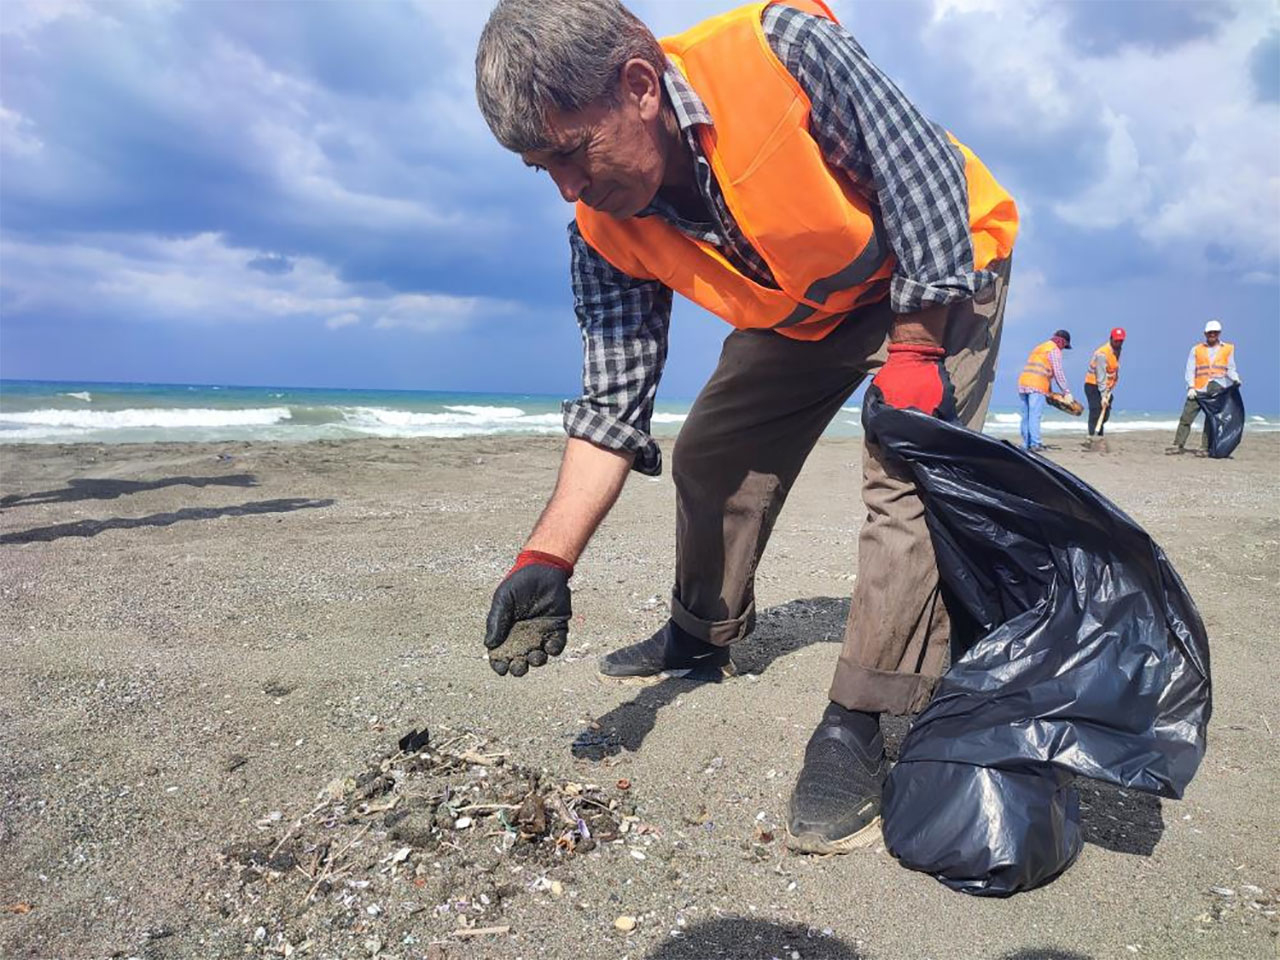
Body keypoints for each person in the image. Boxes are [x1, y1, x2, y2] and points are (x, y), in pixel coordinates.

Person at [474, 0, 1017, 855]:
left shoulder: (780, 52)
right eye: (543, 170)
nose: (569, 189)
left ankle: (867, 717)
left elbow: (921, 168)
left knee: (906, 468)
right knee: (712, 450)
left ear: (640, 86)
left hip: (938, 267)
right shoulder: (602, 232)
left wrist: (917, 344)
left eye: (572, 152)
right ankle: (702, 634)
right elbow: (611, 407)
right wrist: (545, 558)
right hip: (809, 306)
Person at [1168, 320, 1241, 456]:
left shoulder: (1228, 348)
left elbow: (1230, 368)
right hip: (1199, 388)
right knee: (1186, 417)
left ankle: (1204, 448)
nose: (1212, 334)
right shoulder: (1196, 349)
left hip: (1218, 388)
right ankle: (1178, 444)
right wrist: (1191, 387)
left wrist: (1235, 378)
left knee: (1210, 419)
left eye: (1215, 332)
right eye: (1210, 332)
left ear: (1219, 333)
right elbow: (1190, 369)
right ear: (1205, 334)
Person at [1015, 330, 1073, 451]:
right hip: (1037, 385)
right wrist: (1066, 392)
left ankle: (1026, 443)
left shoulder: (1040, 347)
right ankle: (1036, 444)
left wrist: (1049, 391)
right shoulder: (1054, 350)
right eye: (1064, 346)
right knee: (1035, 415)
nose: (1063, 349)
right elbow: (1058, 372)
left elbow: (1045, 370)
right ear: (1062, 342)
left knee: (1026, 415)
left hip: (1023, 382)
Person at [1083, 327, 1125, 445]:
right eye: (1116, 341)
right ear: (1111, 339)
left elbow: (1113, 370)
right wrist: (1103, 395)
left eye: (1121, 341)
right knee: (1096, 411)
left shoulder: (1117, 350)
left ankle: (1099, 435)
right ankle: (1092, 437)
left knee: (1105, 412)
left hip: (1106, 387)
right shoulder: (1102, 354)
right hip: (1093, 385)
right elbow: (1100, 375)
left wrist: (1109, 389)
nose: (1118, 343)